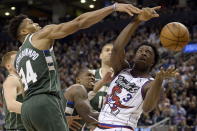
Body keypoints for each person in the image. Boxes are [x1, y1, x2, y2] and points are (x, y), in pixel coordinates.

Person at [8, 3, 141, 131]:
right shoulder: (41, 35)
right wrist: (113, 7)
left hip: (26, 110)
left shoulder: (18, 57)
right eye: (31, 23)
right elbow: (79, 22)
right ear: (24, 31)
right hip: (45, 101)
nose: (36, 23)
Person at [94, 6, 178, 131]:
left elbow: (147, 108)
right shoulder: (122, 69)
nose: (143, 53)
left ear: (153, 62)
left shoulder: (150, 83)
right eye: (140, 50)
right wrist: (137, 20)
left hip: (121, 127)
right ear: (134, 56)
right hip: (100, 126)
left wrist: (159, 79)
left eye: (148, 52)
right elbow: (117, 48)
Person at [1, 51, 25, 131]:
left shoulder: (22, 79)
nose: (20, 60)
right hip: (16, 128)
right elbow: (11, 106)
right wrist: (34, 110)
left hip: (24, 126)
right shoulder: (11, 80)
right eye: (17, 59)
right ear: (8, 66)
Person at [90, 43, 113, 112]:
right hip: (90, 119)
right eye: (107, 50)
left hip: (111, 120)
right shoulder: (90, 74)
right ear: (100, 55)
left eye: (113, 51)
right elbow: (81, 98)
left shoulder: (121, 78)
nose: (110, 52)